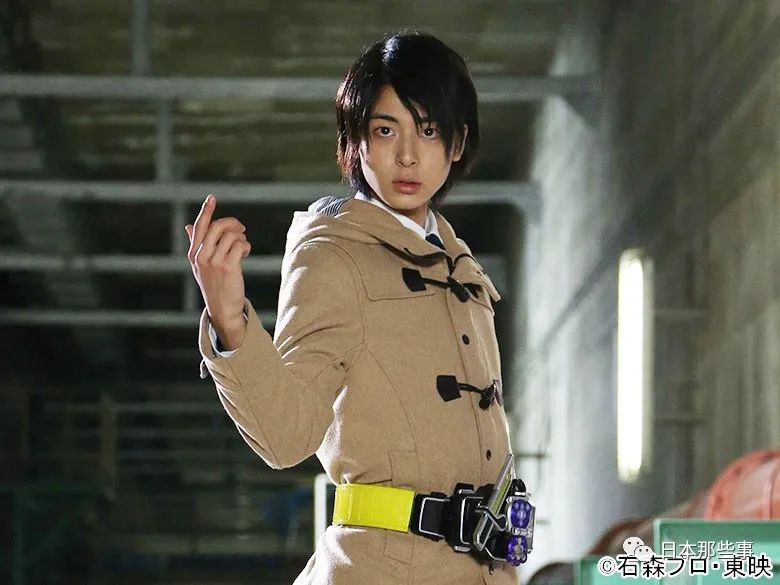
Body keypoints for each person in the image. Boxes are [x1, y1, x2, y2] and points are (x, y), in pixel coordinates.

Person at [185, 32, 522, 585]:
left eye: (428, 130)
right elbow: (286, 437)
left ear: (457, 142)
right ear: (356, 142)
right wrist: (229, 320)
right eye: (385, 130)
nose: (407, 154)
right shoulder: (333, 257)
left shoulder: (460, 268)